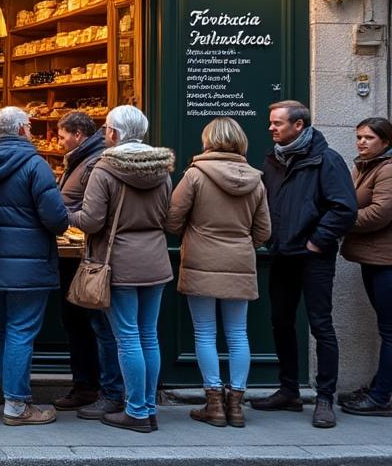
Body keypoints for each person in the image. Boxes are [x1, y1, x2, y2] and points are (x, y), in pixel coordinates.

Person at [69, 105, 173, 434]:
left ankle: (137, 410)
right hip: (155, 259)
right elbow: (168, 216)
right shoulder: (162, 168)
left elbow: (91, 220)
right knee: (148, 336)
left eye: (106, 129)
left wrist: (65, 215)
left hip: (119, 263)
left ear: (113, 133)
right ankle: (149, 407)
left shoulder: (105, 168)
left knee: (127, 338)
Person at [253, 100, 356, 428]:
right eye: (271, 123)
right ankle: (288, 391)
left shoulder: (326, 160)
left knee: (320, 325)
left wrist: (317, 241)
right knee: (280, 321)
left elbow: (344, 208)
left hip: (314, 257)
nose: (271, 128)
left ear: (299, 125)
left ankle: (325, 398)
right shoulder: (273, 160)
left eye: (277, 123)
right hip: (281, 254)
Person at [166, 117, 270, 428]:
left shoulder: (195, 175)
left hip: (200, 260)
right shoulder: (256, 179)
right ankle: (236, 405)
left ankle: (213, 403)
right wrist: (240, 244)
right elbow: (263, 231)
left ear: (208, 140)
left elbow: (173, 219)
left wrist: (194, 237)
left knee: (205, 333)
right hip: (239, 263)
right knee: (238, 334)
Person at [0, 106, 68, 426]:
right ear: (21, 130)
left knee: (4, 328)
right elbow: (56, 220)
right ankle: (16, 405)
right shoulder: (35, 165)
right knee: (21, 330)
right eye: (29, 126)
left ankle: (10, 394)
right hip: (29, 265)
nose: (31, 131)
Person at [51, 111, 124, 420]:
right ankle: (87, 386)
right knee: (79, 321)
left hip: (90, 255)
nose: (59, 139)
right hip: (81, 254)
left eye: (62, 134)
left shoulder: (94, 162)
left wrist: (58, 214)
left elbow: (93, 212)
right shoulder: (82, 158)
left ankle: (107, 391)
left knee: (98, 325)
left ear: (78, 134)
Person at [338, 116, 392, 417]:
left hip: (387, 261)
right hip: (375, 258)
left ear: (385, 142)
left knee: (389, 329)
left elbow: (380, 213)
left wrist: (340, 221)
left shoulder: (388, 170)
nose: (361, 142)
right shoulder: (363, 166)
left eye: (369, 138)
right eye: (359, 136)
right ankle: (379, 388)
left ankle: (381, 396)